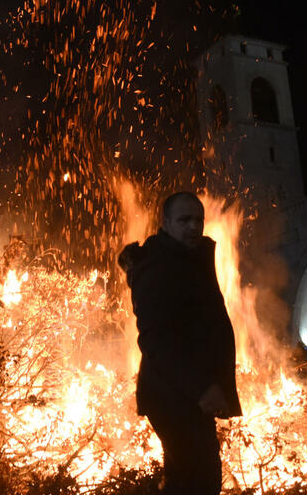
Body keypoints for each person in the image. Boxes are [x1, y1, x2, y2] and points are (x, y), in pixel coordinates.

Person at [119, 192, 241, 495]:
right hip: (173, 396)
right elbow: (156, 339)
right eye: (184, 220)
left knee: (184, 480)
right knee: (201, 479)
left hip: (185, 396)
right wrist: (202, 387)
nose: (193, 227)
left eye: (198, 220)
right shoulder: (158, 265)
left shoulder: (186, 259)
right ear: (166, 223)